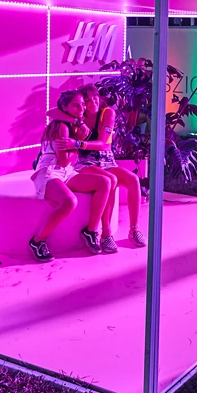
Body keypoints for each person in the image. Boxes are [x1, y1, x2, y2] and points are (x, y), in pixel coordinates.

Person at [28, 90, 116, 261]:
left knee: (105, 182)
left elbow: (67, 164)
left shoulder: (73, 124)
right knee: (69, 202)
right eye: (76, 105)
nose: (81, 108)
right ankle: (37, 241)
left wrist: (77, 141)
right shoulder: (62, 127)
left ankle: (91, 231)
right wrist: (77, 146)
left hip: (66, 171)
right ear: (65, 107)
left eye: (82, 104)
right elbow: (62, 162)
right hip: (49, 171)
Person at [73, 84, 146, 247]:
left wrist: (79, 143)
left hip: (107, 161)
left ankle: (134, 230)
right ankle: (106, 234)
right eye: (88, 100)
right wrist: (76, 125)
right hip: (86, 163)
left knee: (133, 180)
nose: (93, 102)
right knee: (110, 180)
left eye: (95, 98)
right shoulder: (78, 117)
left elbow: (103, 143)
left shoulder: (107, 113)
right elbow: (52, 113)